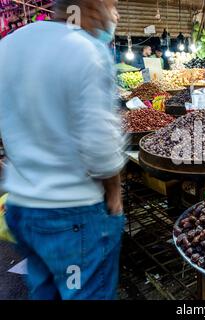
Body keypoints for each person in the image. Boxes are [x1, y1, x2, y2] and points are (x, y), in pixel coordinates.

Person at [0, 0, 126, 300]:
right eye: (113, 5)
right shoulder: (86, 50)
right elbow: (101, 146)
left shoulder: (10, 45)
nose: (116, 15)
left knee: (45, 290)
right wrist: (114, 194)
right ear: (93, 6)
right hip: (74, 213)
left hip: (24, 206)